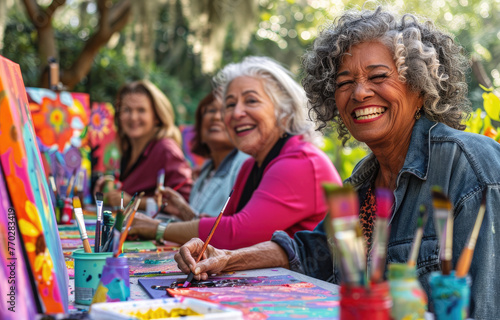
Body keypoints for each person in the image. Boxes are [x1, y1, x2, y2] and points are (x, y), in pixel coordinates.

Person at [173, 7, 500, 319]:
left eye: (378, 76)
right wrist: (225, 258)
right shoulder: (366, 179)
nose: (359, 92)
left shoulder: (470, 166)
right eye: (344, 83)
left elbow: (486, 308)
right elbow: (317, 251)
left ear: (418, 85)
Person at [128, 56, 342, 249]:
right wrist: (182, 214)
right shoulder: (252, 165)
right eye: (229, 104)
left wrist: (157, 228)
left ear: (283, 111)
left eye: (251, 101)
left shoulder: (301, 162)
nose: (236, 113)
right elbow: (223, 224)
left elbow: (236, 233)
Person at [157, 92, 249, 220]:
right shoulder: (206, 171)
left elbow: (229, 231)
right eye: (210, 110)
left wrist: (183, 213)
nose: (216, 117)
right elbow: (197, 224)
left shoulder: (245, 165)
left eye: (225, 110)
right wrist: (180, 211)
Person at [102, 79, 192, 208]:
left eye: (141, 110)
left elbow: (186, 201)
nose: (133, 117)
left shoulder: (166, 149)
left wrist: (133, 202)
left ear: (156, 116)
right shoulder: (126, 149)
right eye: (127, 110)